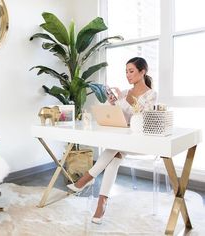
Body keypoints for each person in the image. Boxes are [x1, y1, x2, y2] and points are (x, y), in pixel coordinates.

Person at [67, 57, 157, 224]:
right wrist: (114, 103)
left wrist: (128, 100)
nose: (128, 75)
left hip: (141, 142)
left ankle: (86, 179)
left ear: (142, 72)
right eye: (126, 72)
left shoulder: (151, 94)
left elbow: (144, 120)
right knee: (114, 157)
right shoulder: (125, 92)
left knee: (113, 150)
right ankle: (101, 204)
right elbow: (121, 119)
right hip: (123, 141)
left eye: (131, 71)